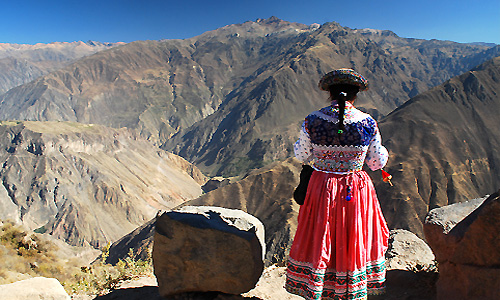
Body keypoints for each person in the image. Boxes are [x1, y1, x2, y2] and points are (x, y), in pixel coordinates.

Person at [285, 69, 390, 300]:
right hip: (355, 188)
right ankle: (350, 288)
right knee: (352, 235)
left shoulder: (313, 120)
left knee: (322, 233)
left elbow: (302, 155)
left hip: (322, 185)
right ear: (355, 94)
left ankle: (320, 286)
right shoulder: (367, 122)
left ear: (329, 93)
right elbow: (375, 162)